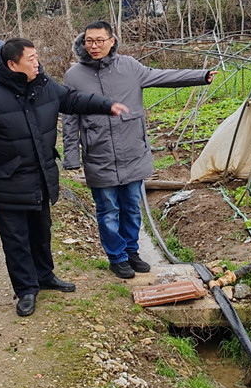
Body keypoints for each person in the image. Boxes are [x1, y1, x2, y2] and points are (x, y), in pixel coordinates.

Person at [0, 38, 128, 317]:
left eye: (37, 57)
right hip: (6, 180)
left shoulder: (43, 85)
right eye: (31, 59)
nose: (37, 63)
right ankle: (26, 290)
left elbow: (72, 99)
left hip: (40, 176)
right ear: (12, 65)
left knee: (41, 232)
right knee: (16, 239)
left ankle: (45, 275)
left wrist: (105, 105)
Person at [62, 21, 216, 279]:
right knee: (108, 209)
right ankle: (117, 257)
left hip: (132, 150)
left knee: (132, 206)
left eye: (100, 40)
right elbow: (69, 118)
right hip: (98, 154)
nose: (94, 46)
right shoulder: (74, 75)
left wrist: (199, 76)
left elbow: (163, 76)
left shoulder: (130, 66)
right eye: (89, 41)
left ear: (112, 41)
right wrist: (71, 157)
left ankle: (132, 251)